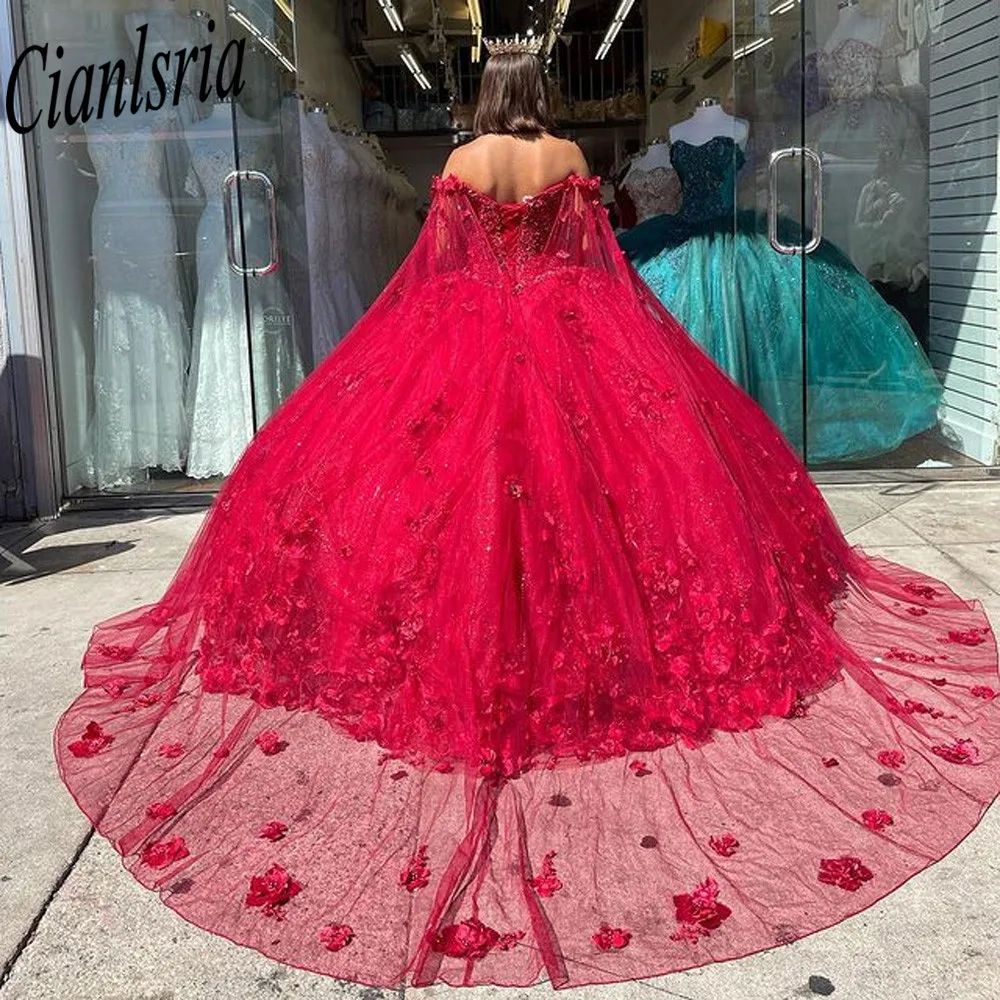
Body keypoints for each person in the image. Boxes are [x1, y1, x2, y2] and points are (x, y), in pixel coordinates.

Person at [55, 36, 998, 991]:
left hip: (464, 324)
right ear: (539, 87)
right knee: (608, 502)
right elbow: (595, 261)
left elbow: (438, 264)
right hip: (569, 324)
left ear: (484, 90)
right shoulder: (571, 160)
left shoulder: (463, 162)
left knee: (432, 502)